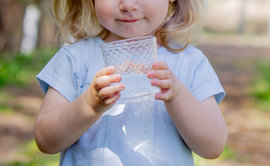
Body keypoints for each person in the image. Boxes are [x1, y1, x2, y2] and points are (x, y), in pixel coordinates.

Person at [34, 0, 227, 165]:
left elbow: (213, 146)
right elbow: (46, 140)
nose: (127, 5)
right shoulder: (75, 59)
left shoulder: (190, 62)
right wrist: (90, 105)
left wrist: (178, 96)